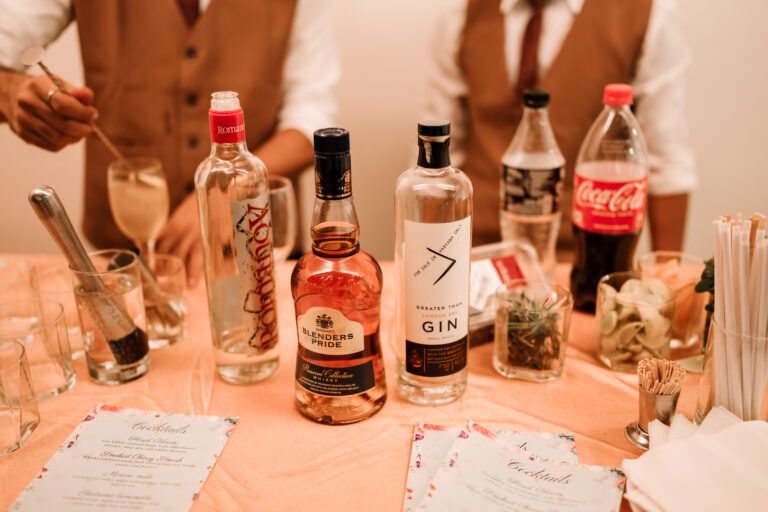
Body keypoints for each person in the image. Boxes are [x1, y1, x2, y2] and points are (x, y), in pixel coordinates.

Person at [0, 0, 339, 285]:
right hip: (127, 266)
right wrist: (10, 92)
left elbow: (312, 120)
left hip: (257, 253)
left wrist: (226, 187)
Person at [422, 0, 696, 254]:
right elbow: (436, 153)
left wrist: (667, 276)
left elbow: (666, 160)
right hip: (472, 254)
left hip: (584, 260)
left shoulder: (648, 14)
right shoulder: (460, 14)